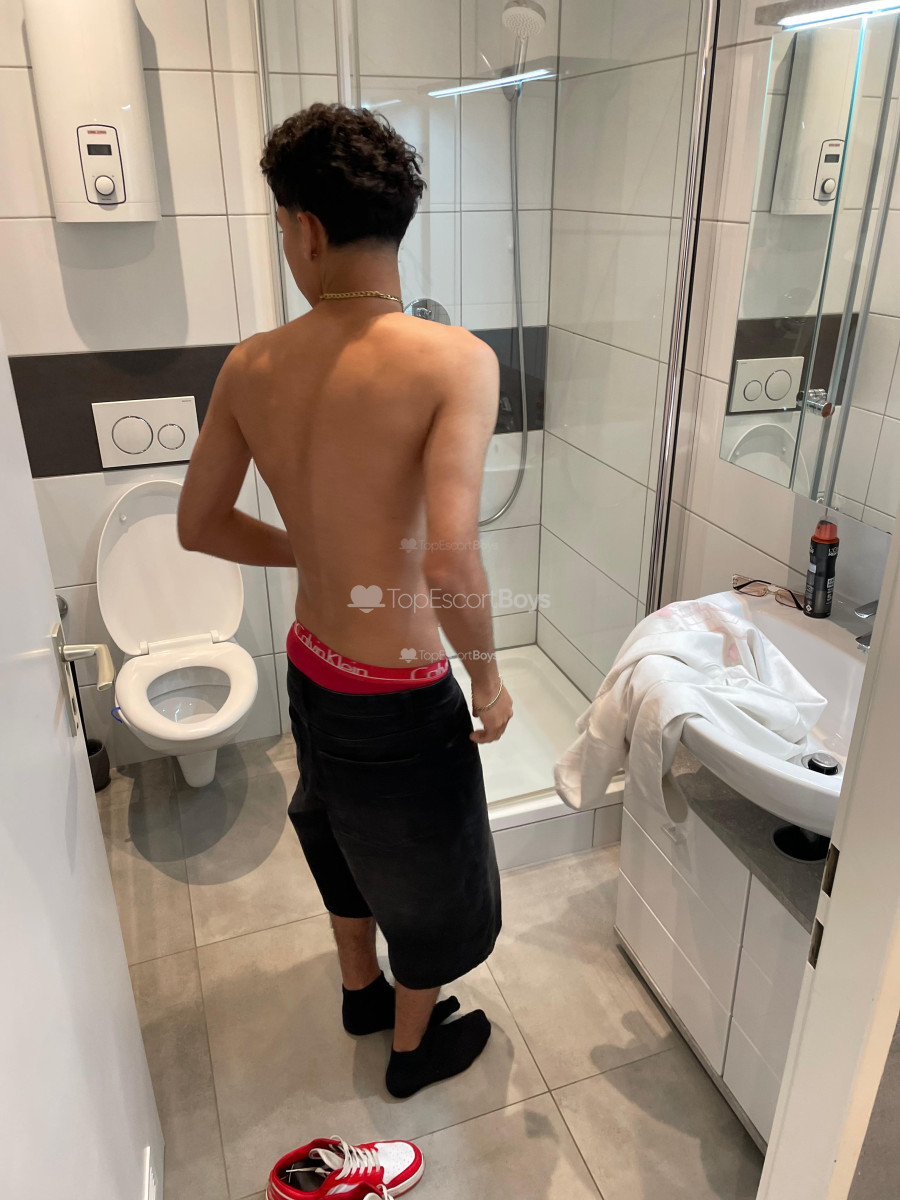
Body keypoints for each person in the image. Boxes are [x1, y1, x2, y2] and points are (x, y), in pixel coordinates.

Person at [177, 103, 513, 1098]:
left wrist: (315, 551)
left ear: (308, 229)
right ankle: (411, 1053)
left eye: (283, 226)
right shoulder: (454, 360)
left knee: (336, 831)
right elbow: (449, 561)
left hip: (312, 667)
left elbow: (200, 525)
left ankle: (361, 995)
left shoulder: (252, 364)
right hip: (399, 696)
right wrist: (489, 681)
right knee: (431, 875)